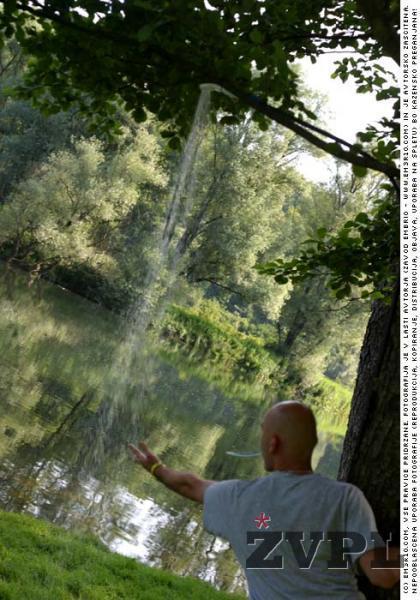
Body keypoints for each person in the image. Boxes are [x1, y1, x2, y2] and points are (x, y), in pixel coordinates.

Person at [128, 400, 400, 599]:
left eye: (263, 434)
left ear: (273, 444)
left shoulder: (238, 499)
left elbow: (190, 485)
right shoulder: (346, 499)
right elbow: (382, 574)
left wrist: (156, 469)